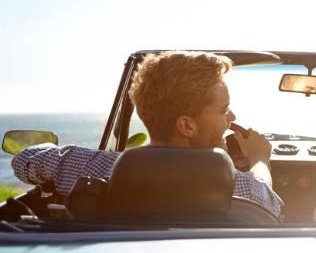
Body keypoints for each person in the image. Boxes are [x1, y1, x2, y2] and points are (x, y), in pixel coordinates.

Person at [11, 51, 282, 216]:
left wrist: (50, 146)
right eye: (224, 110)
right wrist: (260, 159)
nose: (232, 117)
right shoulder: (243, 187)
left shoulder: (82, 166)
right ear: (187, 126)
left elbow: (23, 161)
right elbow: (271, 204)